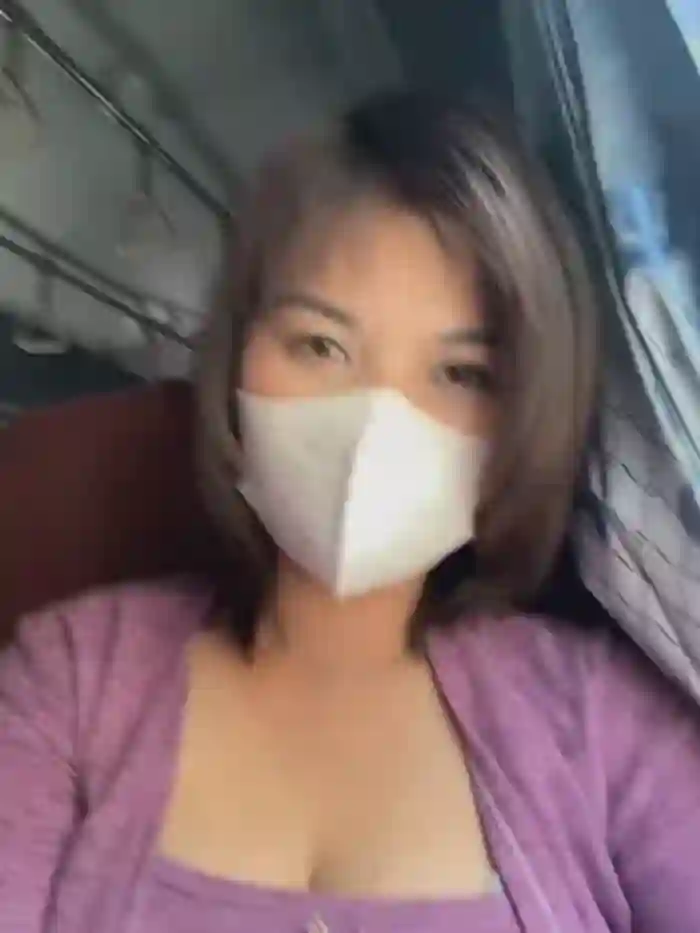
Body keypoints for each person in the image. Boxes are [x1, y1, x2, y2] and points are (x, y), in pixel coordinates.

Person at [1, 90, 699, 933]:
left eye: (460, 374)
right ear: (236, 359)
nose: (375, 422)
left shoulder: (600, 721)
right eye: (321, 345)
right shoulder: (74, 679)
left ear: (523, 417)